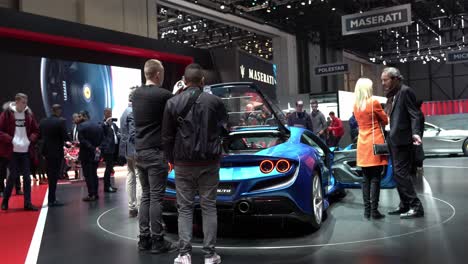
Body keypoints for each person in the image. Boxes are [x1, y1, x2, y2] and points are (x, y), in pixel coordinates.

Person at [163, 63, 227, 264]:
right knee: (208, 206)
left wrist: (172, 160)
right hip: (209, 162)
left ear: (184, 80)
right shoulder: (215, 102)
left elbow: (166, 137)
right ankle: (210, 255)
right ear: (202, 81)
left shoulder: (172, 103)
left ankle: (184, 255)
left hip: (183, 164)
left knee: (184, 208)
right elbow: (225, 129)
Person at [132, 59, 175, 253]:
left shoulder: (136, 94)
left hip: (139, 152)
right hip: (156, 153)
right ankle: (158, 241)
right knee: (156, 197)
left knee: (146, 197)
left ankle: (144, 239)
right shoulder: (164, 95)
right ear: (158, 74)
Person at [382, 67, 424, 219]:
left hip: (403, 140)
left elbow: (415, 114)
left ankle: (416, 206)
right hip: (393, 140)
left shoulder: (405, 91)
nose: (383, 83)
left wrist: (416, 133)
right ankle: (404, 205)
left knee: (401, 174)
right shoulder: (392, 95)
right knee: (396, 174)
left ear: (395, 79)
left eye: (385, 80)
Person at [353, 78, 388, 219]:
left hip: (362, 143)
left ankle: (367, 211)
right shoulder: (373, 102)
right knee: (375, 179)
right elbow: (385, 120)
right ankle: (374, 210)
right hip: (374, 143)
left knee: (365, 179)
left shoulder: (356, 105)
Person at [1, 93, 40, 211]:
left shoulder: (28, 115)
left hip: (25, 151)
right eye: (23, 102)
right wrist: (11, 140)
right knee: (12, 176)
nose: (25, 105)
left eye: (26, 102)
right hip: (12, 151)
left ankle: (27, 203)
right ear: (17, 102)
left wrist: (30, 139)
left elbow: (36, 130)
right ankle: (5, 200)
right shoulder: (6, 114)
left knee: (27, 178)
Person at [39, 104, 69, 206]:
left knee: (50, 175)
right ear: (59, 110)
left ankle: (51, 198)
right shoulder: (61, 121)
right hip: (56, 152)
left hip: (46, 152)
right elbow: (65, 137)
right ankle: (52, 200)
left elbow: (39, 136)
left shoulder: (43, 121)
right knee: (54, 176)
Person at [119, 87, 141, 218]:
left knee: (131, 176)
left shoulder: (124, 112)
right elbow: (133, 133)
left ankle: (132, 207)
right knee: (138, 177)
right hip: (135, 149)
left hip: (128, 150)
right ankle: (139, 208)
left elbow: (124, 134)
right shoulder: (133, 112)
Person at [78, 110, 103, 202]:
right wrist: (97, 148)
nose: (79, 118)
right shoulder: (98, 125)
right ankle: (95, 194)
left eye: (80, 116)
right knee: (94, 174)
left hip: (86, 154)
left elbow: (82, 140)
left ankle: (91, 194)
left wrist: (92, 147)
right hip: (96, 154)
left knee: (88, 175)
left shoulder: (81, 126)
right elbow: (102, 139)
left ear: (84, 116)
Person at [100, 108, 119, 193]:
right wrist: (107, 123)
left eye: (110, 112)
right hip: (108, 150)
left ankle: (109, 186)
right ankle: (107, 187)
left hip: (114, 149)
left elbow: (117, 133)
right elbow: (103, 132)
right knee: (108, 168)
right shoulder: (103, 124)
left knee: (110, 168)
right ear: (104, 114)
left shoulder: (113, 124)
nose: (110, 114)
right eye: (108, 113)